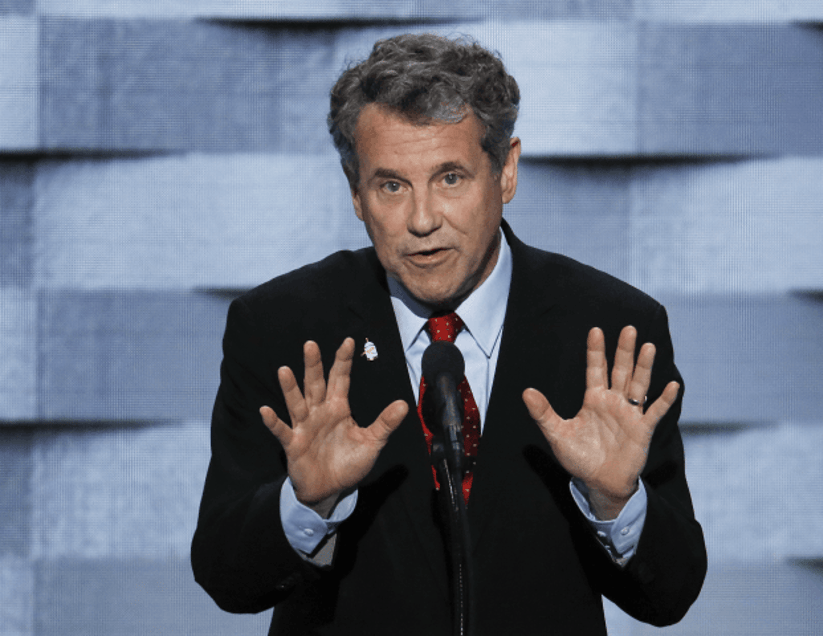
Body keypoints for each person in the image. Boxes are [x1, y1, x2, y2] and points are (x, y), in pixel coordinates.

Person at [192, 33, 707, 635]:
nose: (422, 220)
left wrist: (616, 503)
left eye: (451, 178)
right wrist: (308, 505)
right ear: (356, 193)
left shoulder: (610, 331)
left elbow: (670, 594)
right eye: (391, 185)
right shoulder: (283, 327)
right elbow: (226, 576)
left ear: (506, 170)